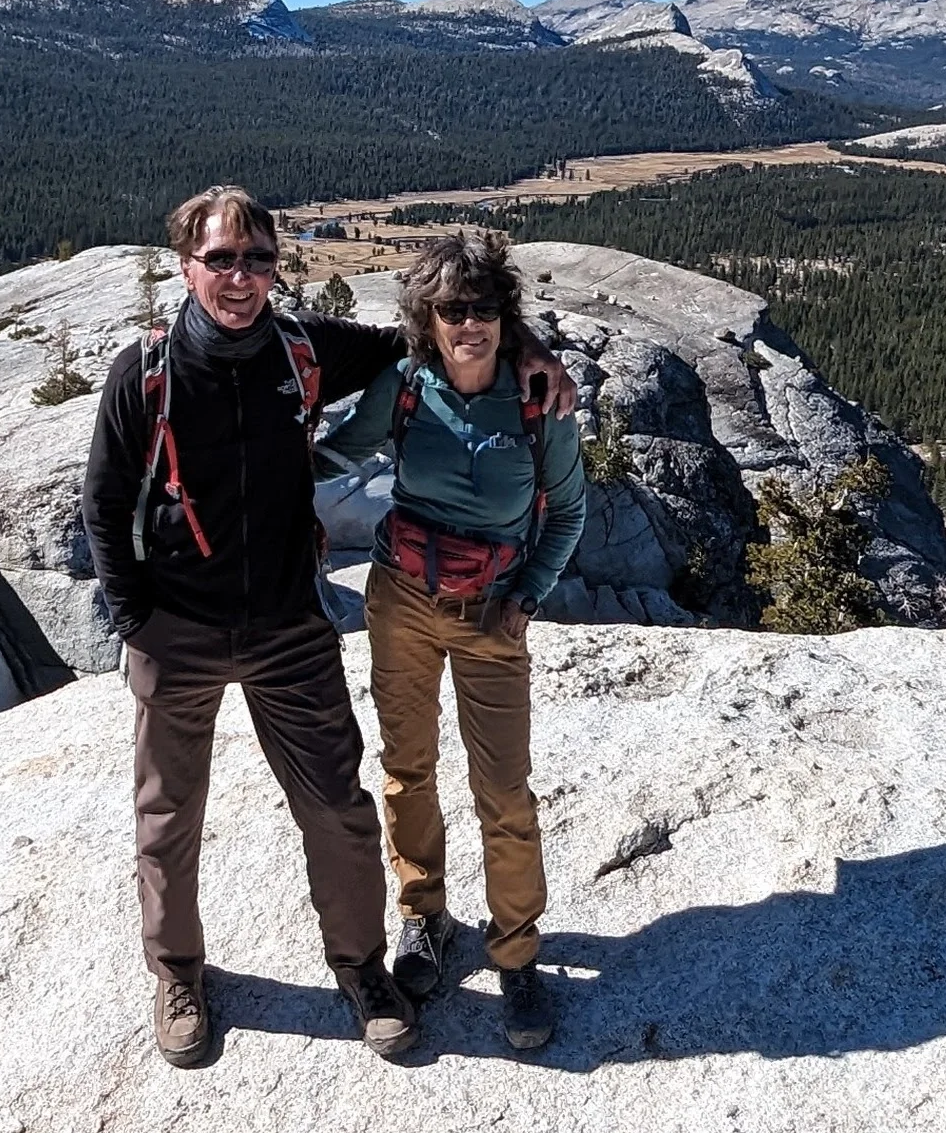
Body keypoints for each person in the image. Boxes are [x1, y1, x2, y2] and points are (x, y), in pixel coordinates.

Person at [81, 187, 570, 1068]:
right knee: (167, 817)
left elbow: (427, 337)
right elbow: (104, 500)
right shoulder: (143, 373)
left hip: (286, 627)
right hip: (178, 629)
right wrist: (133, 620)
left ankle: (361, 969)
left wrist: (524, 341)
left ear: (276, 267)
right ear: (187, 266)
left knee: (340, 814)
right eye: (221, 259)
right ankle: (178, 972)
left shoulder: (303, 347)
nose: (240, 278)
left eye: (257, 260)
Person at [311, 228, 588, 1050]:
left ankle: (517, 953)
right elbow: (343, 454)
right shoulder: (404, 385)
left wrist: (527, 600)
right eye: (450, 310)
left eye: (483, 308)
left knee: (504, 792)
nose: (468, 324)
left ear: (505, 316)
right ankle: (423, 918)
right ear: (424, 321)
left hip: (489, 612)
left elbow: (567, 512)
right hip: (399, 599)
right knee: (406, 768)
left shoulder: (538, 401)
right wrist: (259, 465)